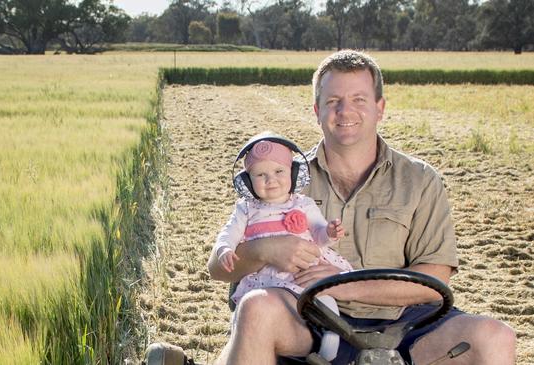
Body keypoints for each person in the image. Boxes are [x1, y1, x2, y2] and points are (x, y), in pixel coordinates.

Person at [207, 50, 516, 365]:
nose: (345, 111)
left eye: (359, 99)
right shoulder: (281, 178)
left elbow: (434, 278)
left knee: (495, 337)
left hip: (406, 324)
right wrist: (264, 250)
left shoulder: (420, 180)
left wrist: (347, 285)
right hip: (308, 318)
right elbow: (218, 269)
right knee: (256, 308)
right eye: (333, 101)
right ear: (316, 110)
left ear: (380, 108)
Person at [213, 134, 354, 360]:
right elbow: (228, 234)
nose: (271, 180)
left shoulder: (303, 204)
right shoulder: (246, 209)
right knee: (250, 309)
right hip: (267, 278)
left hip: (304, 270)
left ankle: (331, 334)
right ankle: (241, 336)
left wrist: (329, 232)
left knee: (323, 294)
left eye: (279, 172)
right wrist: (225, 249)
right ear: (247, 182)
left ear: (293, 173)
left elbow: (318, 233)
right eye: (261, 175)